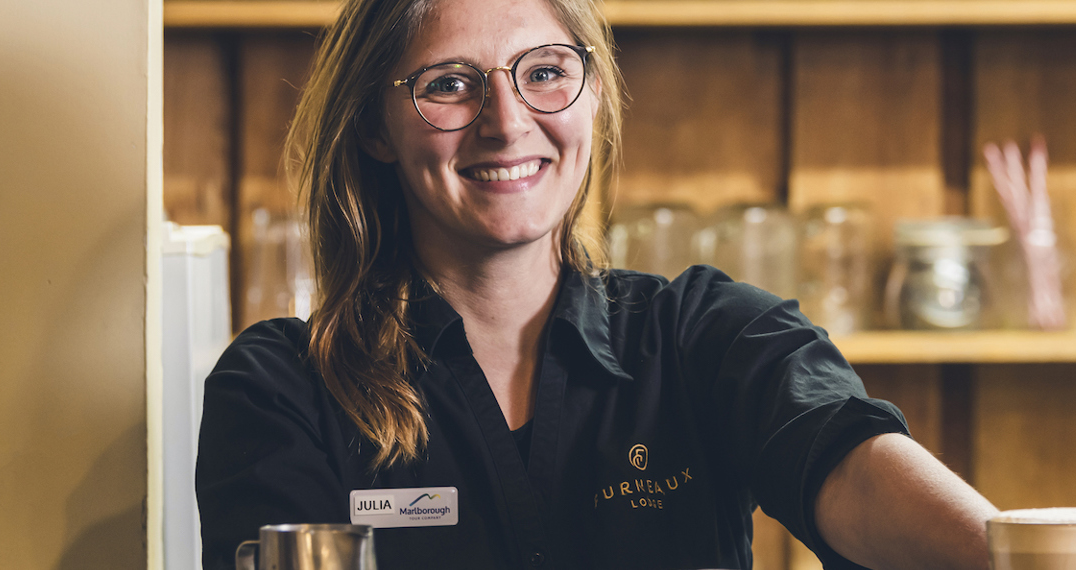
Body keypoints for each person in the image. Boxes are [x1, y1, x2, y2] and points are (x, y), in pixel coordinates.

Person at [193, 0, 999, 568]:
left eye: (545, 72)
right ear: (374, 125)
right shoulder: (283, 390)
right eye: (448, 83)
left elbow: (850, 465)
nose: (506, 122)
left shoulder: (706, 336)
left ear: (595, 93)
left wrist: (1023, 554)